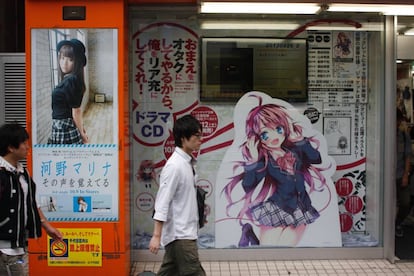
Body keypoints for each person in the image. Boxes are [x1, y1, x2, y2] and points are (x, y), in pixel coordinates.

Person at [222, 94, 333, 247]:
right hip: (276, 209)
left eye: (278, 128)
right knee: (270, 249)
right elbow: (248, 185)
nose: (274, 136)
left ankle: (252, 236)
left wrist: (299, 140)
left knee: (286, 247)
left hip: (302, 208)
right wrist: (253, 161)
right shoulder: (264, 159)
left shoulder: (295, 149)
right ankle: (250, 235)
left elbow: (316, 158)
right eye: (265, 134)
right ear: (257, 138)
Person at [0, 123, 63, 275]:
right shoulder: (2, 174)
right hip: (4, 246)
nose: (28, 147)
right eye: (24, 143)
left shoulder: (22, 172)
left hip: (17, 243)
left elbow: (31, 201)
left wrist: (47, 226)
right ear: (11, 147)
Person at [149, 114, 206, 276]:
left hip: (183, 232)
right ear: (183, 138)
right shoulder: (174, 166)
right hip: (181, 235)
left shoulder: (186, 163)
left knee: (169, 272)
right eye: (196, 136)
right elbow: (162, 201)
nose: (200, 139)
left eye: (200, 135)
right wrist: (156, 235)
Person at [48, 38, 88, 144]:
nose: (64, 63)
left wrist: (83, 135)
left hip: (64, 130)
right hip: (62, 128)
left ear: (77, 62)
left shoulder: (71, 80)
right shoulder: (69, 79)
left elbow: (76, 111)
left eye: (70, 60)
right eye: (62, 58)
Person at [396, 108, 412, 237]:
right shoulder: (379, 133)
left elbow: (407, 156)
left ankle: (397, 223)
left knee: (406, 202)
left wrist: (406, 175)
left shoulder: (403, 136)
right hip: (384, 176)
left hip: (400, 174)